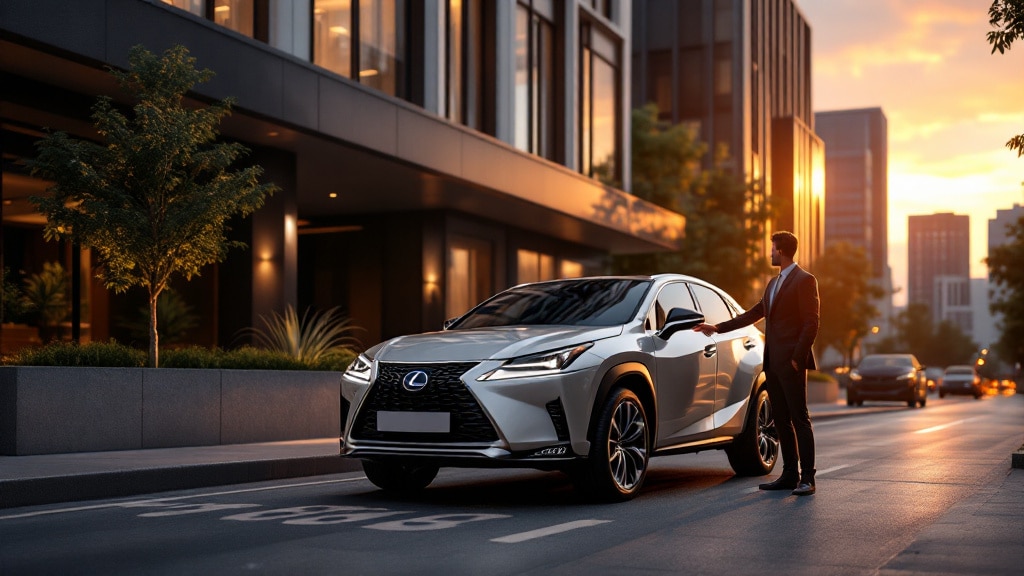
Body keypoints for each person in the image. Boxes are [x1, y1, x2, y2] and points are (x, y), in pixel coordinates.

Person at [693, 231, 820, 496]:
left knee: (800, 419)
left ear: (782, 251)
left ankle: (807, 478)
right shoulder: (772, 284)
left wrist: (797, 358)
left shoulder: (805, 280)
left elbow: (811, 323)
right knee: (780, 420)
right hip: (772, 362)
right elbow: (753, 314)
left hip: (792, 363)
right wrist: (716, 327)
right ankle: (789, 475)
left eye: (772, 248)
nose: (769, 253)